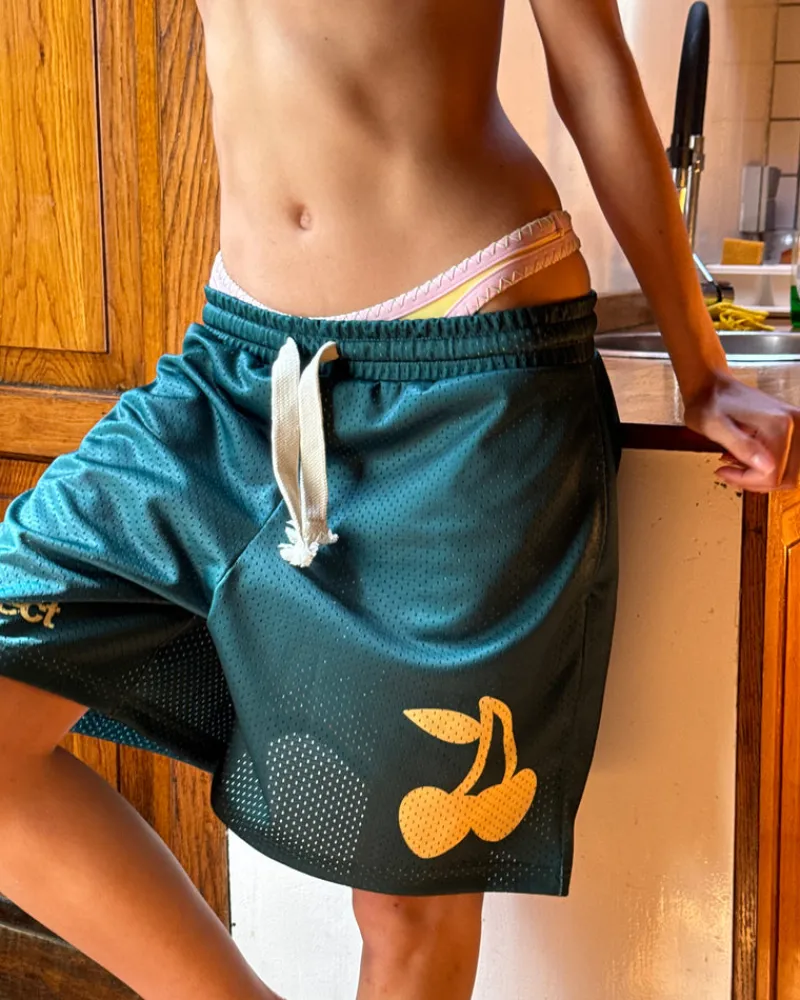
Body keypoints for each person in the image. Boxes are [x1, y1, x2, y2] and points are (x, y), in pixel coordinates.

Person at [0, 1, 797, 999]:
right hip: (237, 369)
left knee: (407, 904)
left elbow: (592, 67)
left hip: (468, 370)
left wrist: (700, 362)